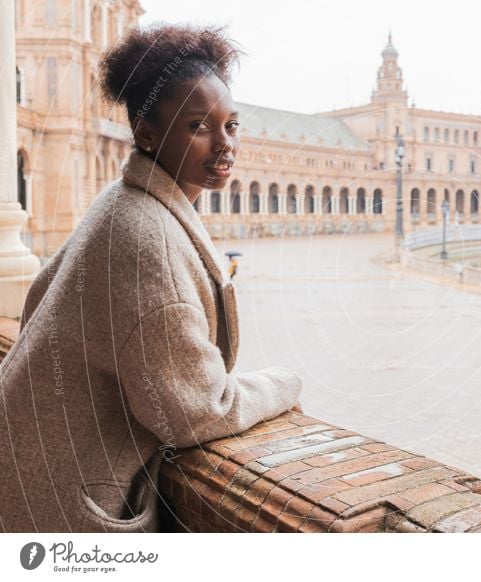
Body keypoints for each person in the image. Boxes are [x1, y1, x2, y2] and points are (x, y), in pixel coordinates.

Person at [0, 24, 302, 532]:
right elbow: (195, 412)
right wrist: (283, 385)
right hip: (51, 508)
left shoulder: (118, 204)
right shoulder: (148, 241)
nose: (224, 143)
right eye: (198, 126)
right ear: (146, 132)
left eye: (231, 124)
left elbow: (36, 300)